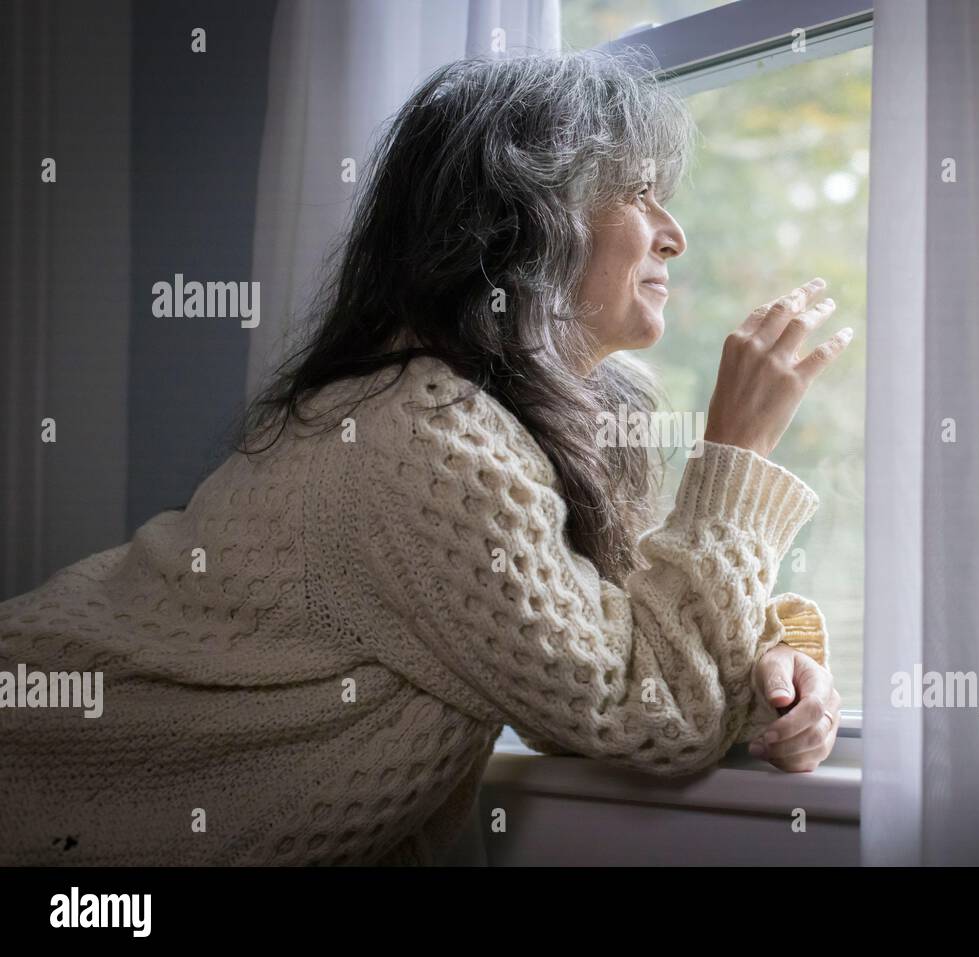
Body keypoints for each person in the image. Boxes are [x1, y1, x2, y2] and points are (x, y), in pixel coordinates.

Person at [0, 49, 851, 866]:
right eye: (635, 193)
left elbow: (622, 643)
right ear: (524, 218)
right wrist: (737, 452)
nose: (674, 237)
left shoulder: (511, 429)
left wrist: (780, 663)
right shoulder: (427, 433)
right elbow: (649, 707)